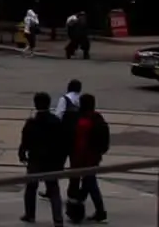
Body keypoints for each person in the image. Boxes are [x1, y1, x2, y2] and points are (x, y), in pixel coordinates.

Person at [19, 92, 67, 225]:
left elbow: (25, 141)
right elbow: (63, 143)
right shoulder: (56, 121)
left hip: (36, 160)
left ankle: (30, 214)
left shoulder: (32, 123)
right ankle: (58, 219)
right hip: (52, 161)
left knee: (31, 188)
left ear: (35, 104)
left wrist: (22, 153)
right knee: (53, 190)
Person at [67, 93, 109, 224]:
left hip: (81, 158)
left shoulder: (80, 120)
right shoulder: (98, 119)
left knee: (89, 184)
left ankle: (98, 211)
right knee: (88, 184)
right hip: (93, 158)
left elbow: (76, 141)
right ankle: (84, 209)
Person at [51, 79, 83, 200]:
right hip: (77, 137)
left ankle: (52, 190)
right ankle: (73, 192)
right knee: (75, 166)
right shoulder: (81, 100)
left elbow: (58, 116)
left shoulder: (64, 99)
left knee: (57, 165)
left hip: (63, 137)